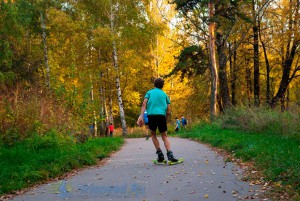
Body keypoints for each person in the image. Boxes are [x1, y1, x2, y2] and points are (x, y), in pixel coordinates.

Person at [137, 78, 178, 163]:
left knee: (153, 134)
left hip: (151, 115)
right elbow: (168, 108)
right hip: (161, 116)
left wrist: (141, 116)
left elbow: (144, 103)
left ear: (154, 84)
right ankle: (170, 154)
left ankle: (160, 154)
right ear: (162, 85)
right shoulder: (164, 94)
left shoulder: (149, 92)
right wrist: (166, 118)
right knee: (164, 136)